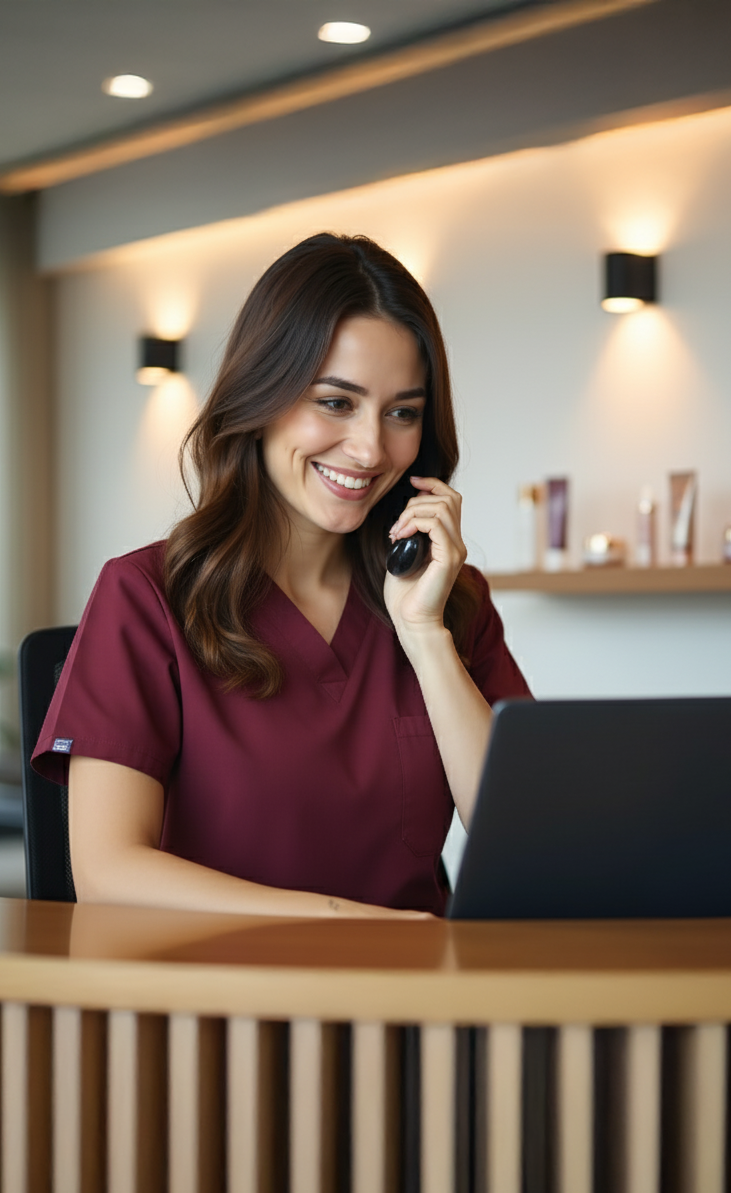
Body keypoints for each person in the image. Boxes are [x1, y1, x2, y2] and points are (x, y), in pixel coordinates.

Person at [33, 233, 531, 919]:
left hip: (417, 982)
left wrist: (425, 637)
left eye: (402, 413)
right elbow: (108, 871)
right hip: (231, 986)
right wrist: (346, 925)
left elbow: (525, 844)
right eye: (336, 402)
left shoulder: (451, 600)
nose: (370, 448)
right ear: (262, 394)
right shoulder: (145, 595)